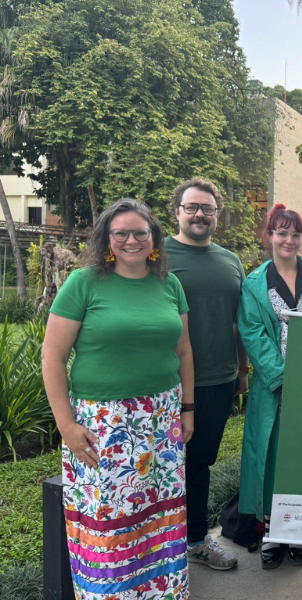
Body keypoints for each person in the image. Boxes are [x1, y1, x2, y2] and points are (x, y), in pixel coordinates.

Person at [43, 198, 194, 599]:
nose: (132, 240)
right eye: (121, 233)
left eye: (140, 232)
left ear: (154, 238)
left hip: (161, 420)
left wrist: (188, 410)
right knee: (109, 521)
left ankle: (162, 592)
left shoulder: (169, 284)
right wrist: (66, 425)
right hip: (104, 424)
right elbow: (52, 357)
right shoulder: (84, 283)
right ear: (106, 239)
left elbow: (183, 351)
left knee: (159, 514)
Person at [237, 203, 302, 570]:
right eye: (282, 233)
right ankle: (271, 532)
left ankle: (299, 533)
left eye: (296, 234)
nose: (289, 240)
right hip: (273, 389)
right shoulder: (254, 284)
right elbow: (252, 332)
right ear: (269, 236)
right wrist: (282, 378)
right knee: (272, 458)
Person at [164, 178, 247, 570]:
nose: (200, 214)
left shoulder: (231, 261)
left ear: (217, 214)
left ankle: (195, 541)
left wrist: (242, 369)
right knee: (160, 465)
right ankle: (157, 545)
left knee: (198, 464)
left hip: (218, 380)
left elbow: (239, 322)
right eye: (192, 207)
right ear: (177, 212)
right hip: (165, 382)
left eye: (208, 208)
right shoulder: (156, 255)